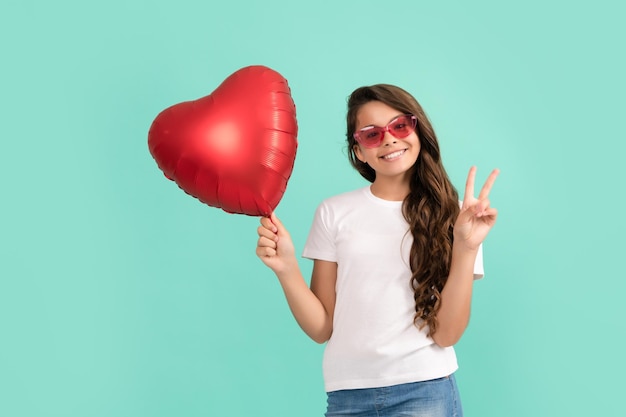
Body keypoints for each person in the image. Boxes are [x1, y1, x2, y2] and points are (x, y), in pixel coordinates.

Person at [256, 84, 499, 417]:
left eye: (400, 126)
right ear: (358, 151)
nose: (389, 139)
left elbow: (447, 334)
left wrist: (467, 246)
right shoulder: (333, 212)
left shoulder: (458, 218)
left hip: (424, 389)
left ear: (418, 130)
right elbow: (321, 328)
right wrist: (286, 268)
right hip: (347, 396)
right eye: (372, 134)